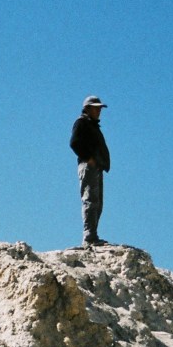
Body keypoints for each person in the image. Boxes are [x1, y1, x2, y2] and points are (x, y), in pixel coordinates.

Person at [69, 95, 111, 247]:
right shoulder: (82, 123)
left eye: (100, 108)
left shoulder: (92, 125)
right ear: (87, 108)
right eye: (96, 108)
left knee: (97, 202)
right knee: (90, 200)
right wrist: (89, 158)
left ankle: (93, 235)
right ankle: (89, 237)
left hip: (96, 167)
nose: (99, 111)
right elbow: (74, 143)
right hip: (89, 166)